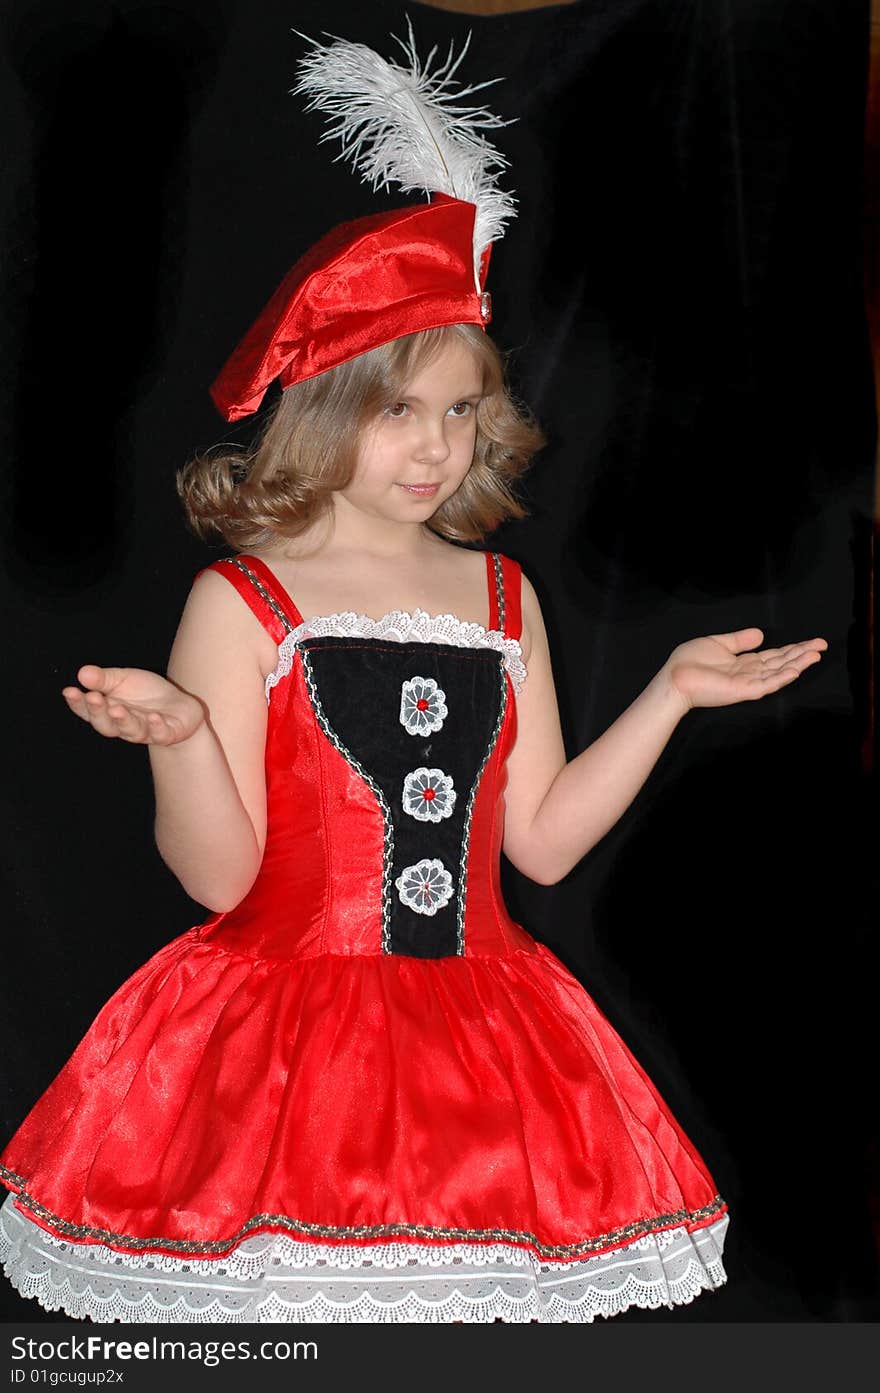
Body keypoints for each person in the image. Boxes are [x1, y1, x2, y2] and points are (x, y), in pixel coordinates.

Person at [0, 30, 826, 1324]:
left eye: (461, 412)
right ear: (327, 405)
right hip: (275, 1058)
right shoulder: (243, 597)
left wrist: (666, 693)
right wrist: (179, 734)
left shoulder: (503, 595)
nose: (439, 448)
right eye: (402, 412)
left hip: (490, 1053)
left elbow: (541, 844)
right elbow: (222, 881)